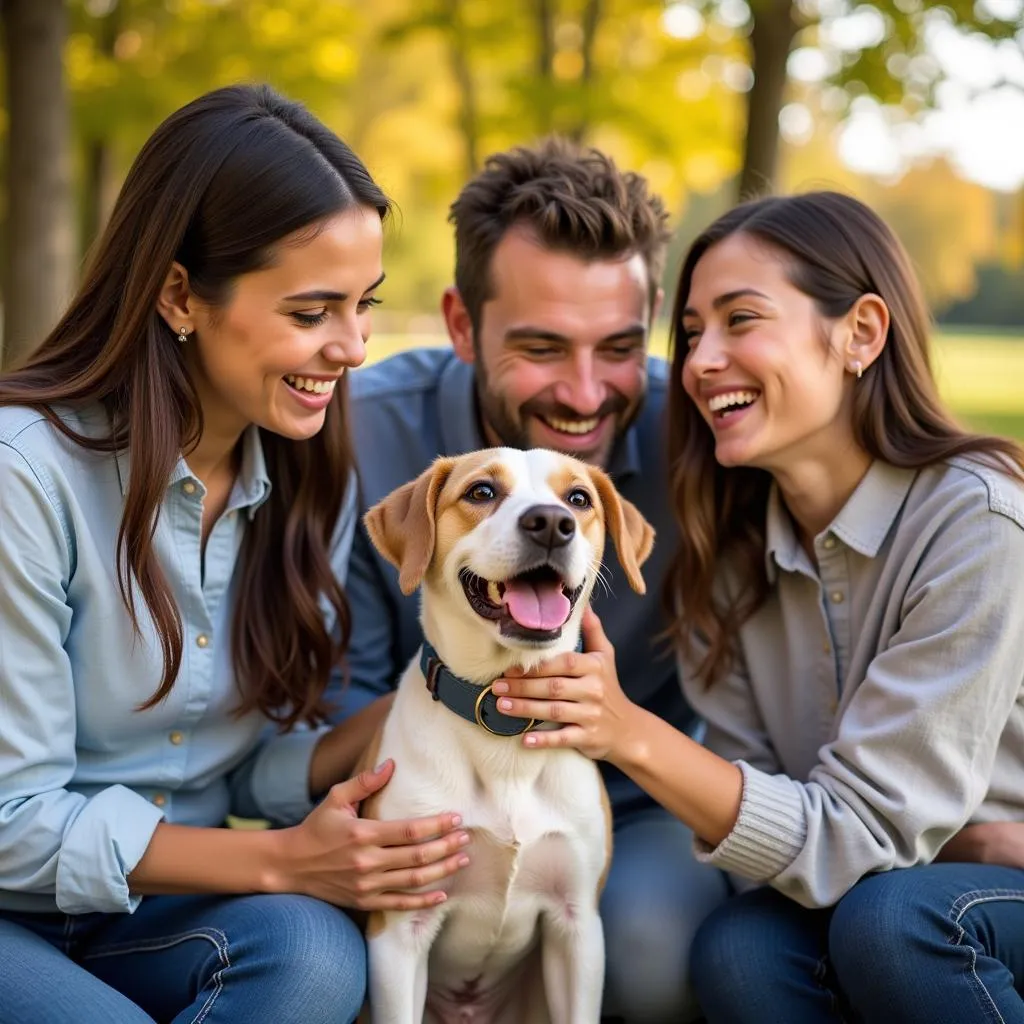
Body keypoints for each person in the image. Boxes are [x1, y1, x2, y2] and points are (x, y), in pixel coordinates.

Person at [486, 191, 1024, 1022]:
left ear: (862, 334)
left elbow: (856, 836)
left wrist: (624, 728)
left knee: (897, 921)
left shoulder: (978, 521)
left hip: (991, 894)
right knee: (740, 945)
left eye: (741, 320)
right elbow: (761, 845)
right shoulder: (731, 551)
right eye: (694, 332)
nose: (700, 362)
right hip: (901, 878)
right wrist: (955, 840)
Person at [0, 84, 473, 1024]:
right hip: (13, 906)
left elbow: (239, 766)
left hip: (156, 905)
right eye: (312, 312)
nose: (351, 347)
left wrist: (436, 696)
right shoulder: (26, 477)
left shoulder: (303, 473)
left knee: (312, 962)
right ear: (180, 294)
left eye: (364, 305)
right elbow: (9, 821)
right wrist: (279, 859)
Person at [338, 138, 730, 1021]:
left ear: (656, 318)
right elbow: (334, 716)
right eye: (544, 346)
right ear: (461, 324)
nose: (587, 393)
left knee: (652, 959)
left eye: (620, 347)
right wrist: (458, 698)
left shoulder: (710, 438)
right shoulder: (362, 438)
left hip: (633, 804)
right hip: (420, 777)